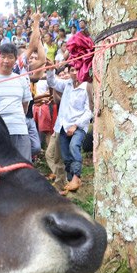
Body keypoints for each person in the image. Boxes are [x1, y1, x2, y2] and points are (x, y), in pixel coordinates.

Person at [42, 61, 92, 193]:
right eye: (72, 70)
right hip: (63, 126)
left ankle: (76, 177)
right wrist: (50, 70)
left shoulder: (87, 87)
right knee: (65, 156)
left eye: (77, 70)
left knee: (73, 147)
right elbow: (52, 82)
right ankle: (71, 181)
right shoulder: (67, 84)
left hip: (78, 126)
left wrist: (76, 125)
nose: (74, 72)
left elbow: (89, 111)